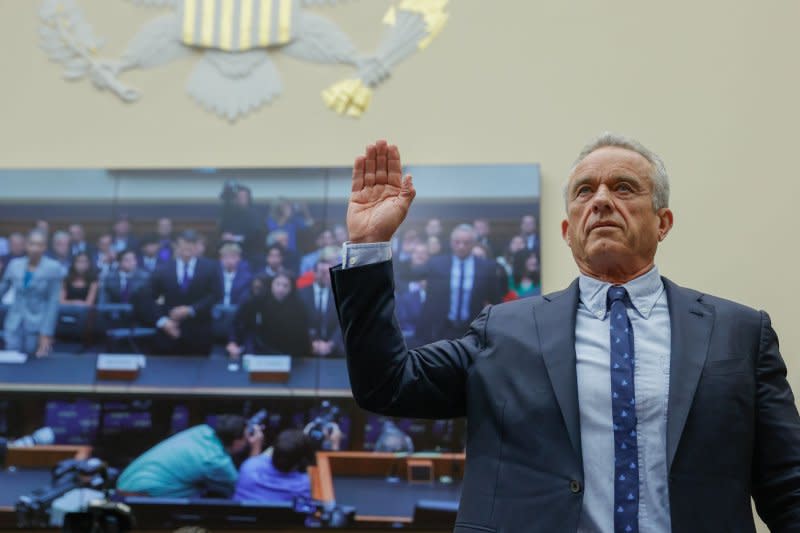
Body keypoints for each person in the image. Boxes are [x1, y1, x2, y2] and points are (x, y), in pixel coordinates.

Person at [331, 137, 800, 533]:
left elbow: (787, 483)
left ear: (663, 222)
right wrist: (369, 247)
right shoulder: (504, 330)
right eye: (584, 191)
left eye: (623, 187)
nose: (600, 200)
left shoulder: (740, 332)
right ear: (567, 230)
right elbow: (386, 384)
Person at [116, 415, 262, 498]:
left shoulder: (202, 430)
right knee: (207, 494)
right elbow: (244, 489)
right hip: (139, 494)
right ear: (236, 443)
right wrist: (256, 448)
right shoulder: (216, 463)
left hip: (126, 479)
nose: (248, 439)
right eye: (245, 437)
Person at [136, 230, 222, 356]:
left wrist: (191, 309)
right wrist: (162, 321)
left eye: (191, 243)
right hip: (169, 331)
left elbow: (216, 295)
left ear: (198, 246)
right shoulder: (163, 269)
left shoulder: (210, 267)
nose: (187, 246)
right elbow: (146, 298)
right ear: (176, 246)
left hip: (199, 333)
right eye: (184, 243)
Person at [412, 224, 501, 343]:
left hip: (472, 330)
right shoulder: (437, 264)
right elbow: (411, 275)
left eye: (466, 242)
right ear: (451, 242)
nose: (461, 246)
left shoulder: (486, 267)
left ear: (474, 243)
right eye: (457, 242)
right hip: (442, 329)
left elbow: (495, 300)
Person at [0, 230, 64, 356]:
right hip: (14, 322)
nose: (35, 248)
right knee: (11, 363)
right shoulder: (14, 265)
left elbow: (53, 302)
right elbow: (2, 289)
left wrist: (46, 332)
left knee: (33, 365)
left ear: (44, 247)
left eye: (39, 245)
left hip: (38, 324)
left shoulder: (53, 267)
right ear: (26, 245)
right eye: (32, 244)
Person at [227, 272, 311, 359]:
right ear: (271, 284)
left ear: (291, 288)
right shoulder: (257, 301)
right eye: (277, 284)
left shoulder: (298, 307)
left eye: (285, 286)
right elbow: (238, 322)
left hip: (288, 353)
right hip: (259, 350)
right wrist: (232, 342)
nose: (280, 289)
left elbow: (302, 336)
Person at [298, 249, 344, 357]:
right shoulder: (301, 294)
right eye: (322, 272)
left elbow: (341, 323)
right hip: (308, 345)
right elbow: (299, 322)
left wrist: (331, 344)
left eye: (328, 273)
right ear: (314, 273)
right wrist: (312, 343)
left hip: (333, 347)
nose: (325, 276)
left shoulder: (338, 294)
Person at [219, 183, 264, 268]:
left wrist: (235, 238)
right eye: (238, 197)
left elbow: (256, 235)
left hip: (249, 253)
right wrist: (225, 236)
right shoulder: (229, 214)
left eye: (243, 197)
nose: (240, 199)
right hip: (230, 252)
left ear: (248, 198)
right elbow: (222, 231)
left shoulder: (253, 214)